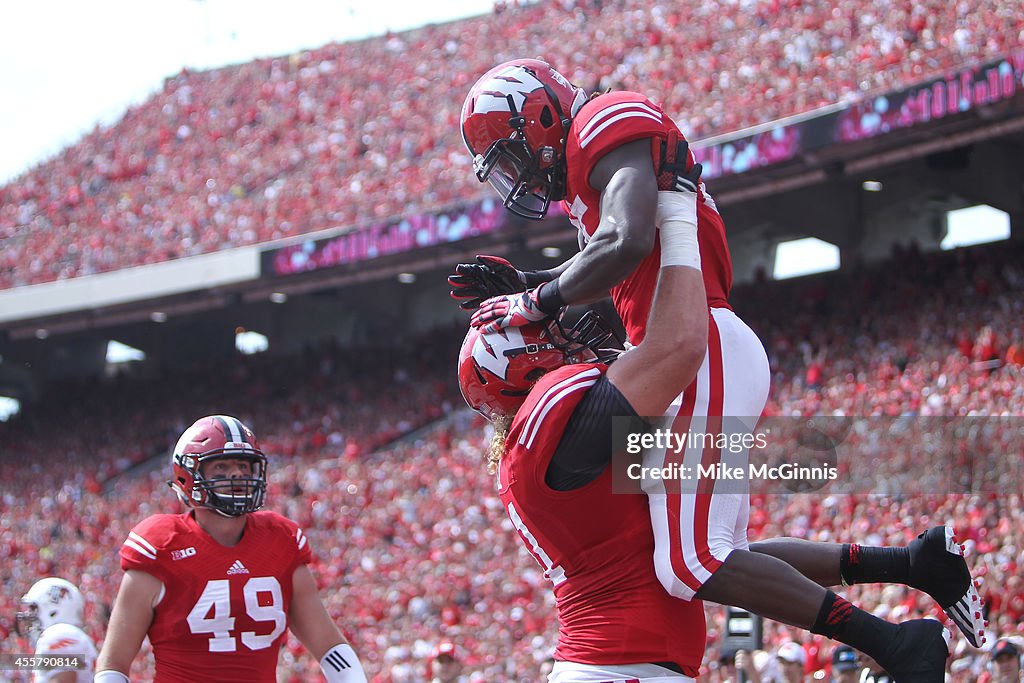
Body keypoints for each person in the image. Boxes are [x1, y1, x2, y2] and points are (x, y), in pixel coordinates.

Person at [453, 57, 983, 663]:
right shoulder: (588, 160)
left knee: (690, 563)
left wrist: (535, 296)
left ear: (543, 115)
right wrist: (537, 282)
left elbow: (627, 241)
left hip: (695, 341)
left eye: (515, 156)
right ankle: (915, 564)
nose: (518, 178)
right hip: (693, 341)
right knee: (720, 552)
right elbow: (627, 257)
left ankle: (894, 641)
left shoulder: (599, 121)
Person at [458, 212, 965, 681]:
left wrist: (896, 566)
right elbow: (673, 346)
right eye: (546, 337)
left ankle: (908, 573)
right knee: (699, 559)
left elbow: (733, 558)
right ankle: (891, 642)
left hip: (624, 666)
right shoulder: (549, 414)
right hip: (621, 669)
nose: (567, 336)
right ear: (522, 369)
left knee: (714, 553)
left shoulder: (542, 443)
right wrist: (675, 219)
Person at [93, 415, 367, 683]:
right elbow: (114, 664)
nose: (237, 474)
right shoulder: (161, 546)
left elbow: (330, 647)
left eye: (243, 466)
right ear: (188, 477)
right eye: (221, 467)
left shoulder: (280, 541)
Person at [16, 578, 97, 682]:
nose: (29, 615)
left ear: (53, 611)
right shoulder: (70, 634)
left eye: (33, 609)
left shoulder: (59, 634)